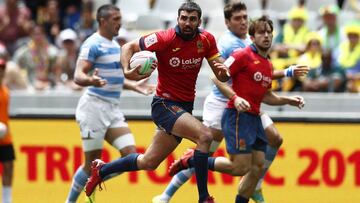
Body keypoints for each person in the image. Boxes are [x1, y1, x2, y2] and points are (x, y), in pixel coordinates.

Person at [152, 2, 309, 203]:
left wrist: (286, 74)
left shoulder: (251, 43)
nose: (243, 21)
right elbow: (219, 76)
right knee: (207, 153)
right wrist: (235, 98)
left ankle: (255, 184)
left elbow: (260, 74)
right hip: (223, 103)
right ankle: (167, 193)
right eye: (237, 18)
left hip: (248, 104)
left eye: (245, 17)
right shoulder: (230, 44)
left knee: (274, 139)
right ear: (227, 22)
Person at [84, 2, 229, 203]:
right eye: (184, 18)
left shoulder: (206, 40)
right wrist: (126, 71)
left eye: (192, 19)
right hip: (164, 105)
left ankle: (102, 169)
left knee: (148, 161)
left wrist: (223, 73)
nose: (187, 22)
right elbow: (128, 47)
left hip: (184, 107)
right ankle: (204, 197)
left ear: (199, 21)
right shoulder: (165, 37)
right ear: (178, 18)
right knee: (205, 136)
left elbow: (221, 73)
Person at [65, 4, 155, 203]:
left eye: (120, 18)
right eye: (115, 19)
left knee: (131, 155)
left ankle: (97, 177)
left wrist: (134, 86)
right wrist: (90, 80)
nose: (119, 22)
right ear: (102, 21)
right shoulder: (93, 44)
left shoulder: (115, 46)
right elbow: (78, 75)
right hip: (93, 108)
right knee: (90, 165)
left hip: (112, 109)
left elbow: (114, 79)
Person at [0, 46, 15, 203]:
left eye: (2, 68)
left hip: (5, 136)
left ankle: (6, 200)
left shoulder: (5, 91)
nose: (0, 71)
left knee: (9, 167)